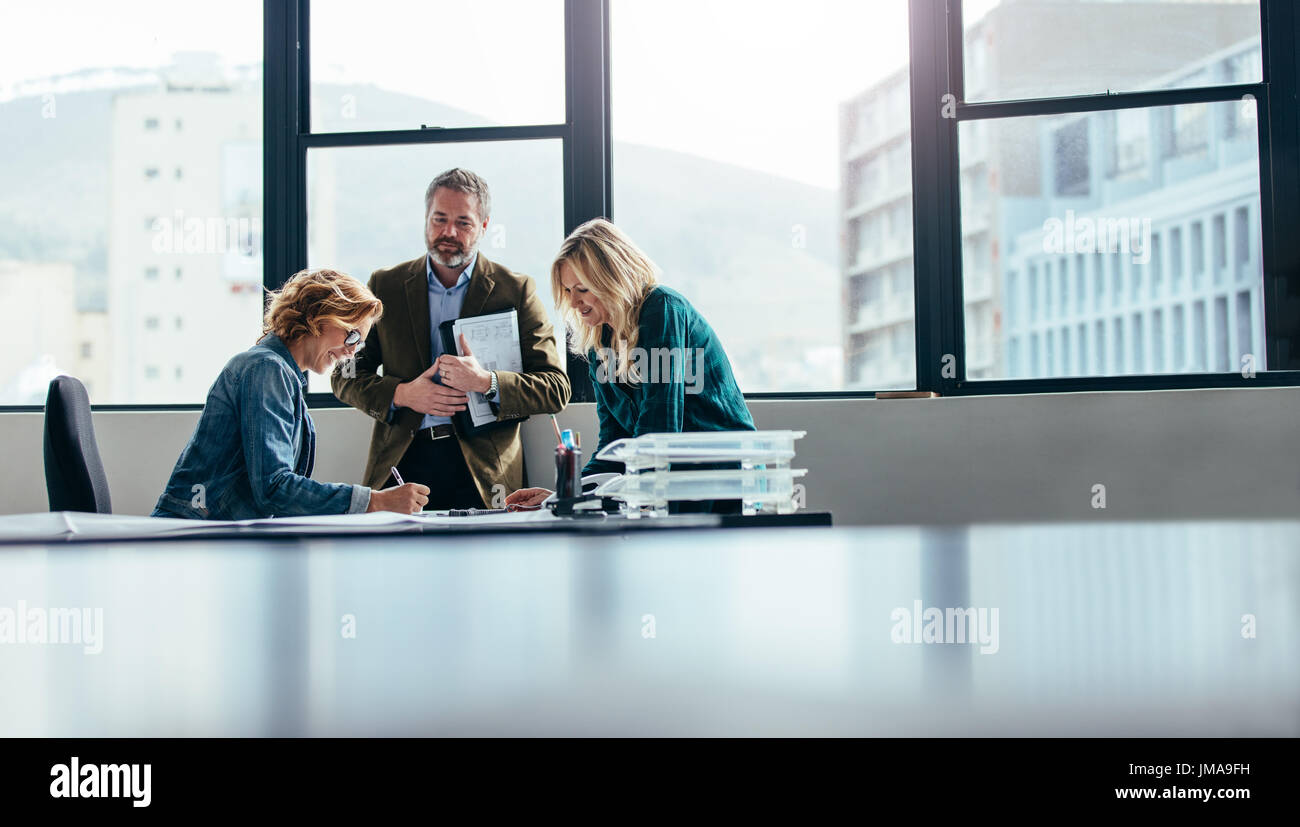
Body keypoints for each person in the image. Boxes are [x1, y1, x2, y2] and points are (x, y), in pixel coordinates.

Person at [331, 168, 570, 509]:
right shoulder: (385, 286)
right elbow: (345, 374)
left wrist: (486, 382)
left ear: (485, 226)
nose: (448, 232)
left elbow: (555, 388)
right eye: (439, 219)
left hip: (487, 476)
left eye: (463, 223)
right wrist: (402, 393)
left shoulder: (515, 290)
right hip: (403, 466)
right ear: (425, 218)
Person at [506, 218, 755, 512]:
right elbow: (615, 442)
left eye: (582, 289)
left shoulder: (662, 308)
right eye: (568, 291)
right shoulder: (599, 339)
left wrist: (584, 498)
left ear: (611, 279)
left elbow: (660, 428)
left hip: (718, 480)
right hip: (671, 484)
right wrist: (562, 496)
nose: (574, 302)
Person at [152, 269, 430, 520]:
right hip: (191, 538)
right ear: (318, 317)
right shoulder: (266, 369)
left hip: (213, 537)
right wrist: (376, 501)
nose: (351, 351)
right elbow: (274, 487)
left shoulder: (278, 372)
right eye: (352, 335)